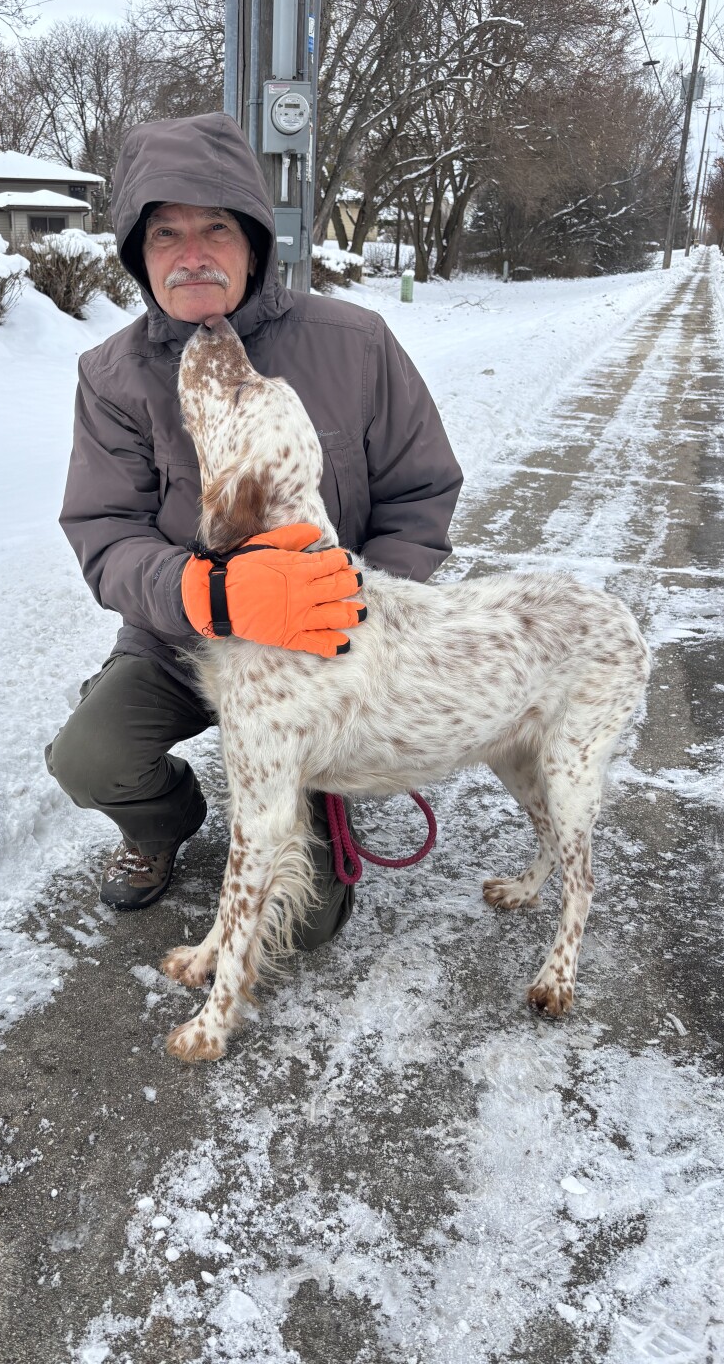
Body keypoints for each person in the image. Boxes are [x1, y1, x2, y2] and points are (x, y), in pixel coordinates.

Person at [45, 111, 463, 949]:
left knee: (303, 924)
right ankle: (164, 825)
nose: (191, 252)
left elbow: (421, 493)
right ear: (138, 251)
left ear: (255, 242)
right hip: (185, 633)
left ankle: (310, 788)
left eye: (215, 228)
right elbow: (106, 530)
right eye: (166, 233)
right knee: (89, 758)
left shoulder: (354, 343)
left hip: (317, 644)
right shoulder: (112, 377)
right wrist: (203, 590)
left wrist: (360, 618)